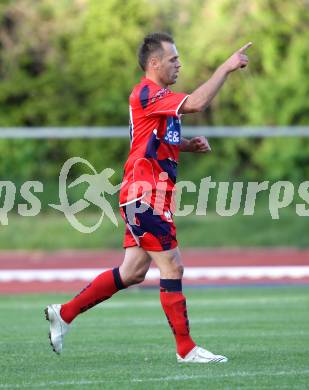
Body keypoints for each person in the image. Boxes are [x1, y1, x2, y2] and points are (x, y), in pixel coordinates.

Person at [45, 32, 251, 363]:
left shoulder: (160, 98)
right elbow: (197, 103)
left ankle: (64, 313)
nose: (179, 64)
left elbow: (151, 139)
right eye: (173, 59)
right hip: (145, 194)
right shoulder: (147, 93)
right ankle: (186, 349)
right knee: (173, 265)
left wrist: (186, 146)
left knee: (132, 273)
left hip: (149, 193)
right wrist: (225, 68)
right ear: (154, 63)